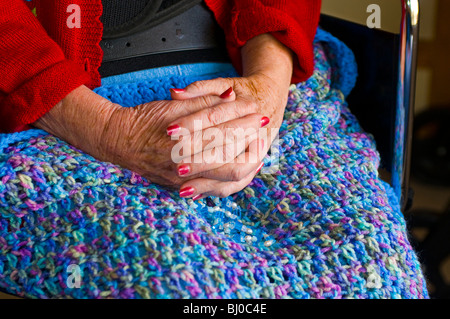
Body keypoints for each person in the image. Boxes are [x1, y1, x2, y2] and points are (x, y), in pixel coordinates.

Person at [0, 0, 429, 299]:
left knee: (376, 272)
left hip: (258, 73)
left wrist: (266, 90)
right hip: (53, 110)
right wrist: (112, 130)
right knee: (184, 283)